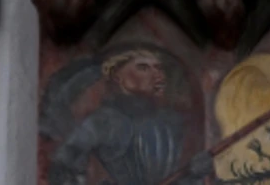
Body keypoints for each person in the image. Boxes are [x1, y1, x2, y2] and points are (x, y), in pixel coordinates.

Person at [46, 47, 209, 185]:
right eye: (143, 67)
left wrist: (192, 174)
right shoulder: (105, 121)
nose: (157, 75)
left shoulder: (170, 122)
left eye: (158, 68)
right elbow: (62, 167)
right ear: (118, 76)